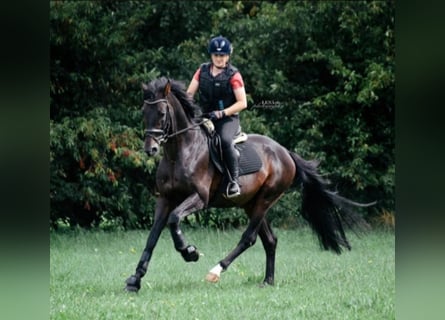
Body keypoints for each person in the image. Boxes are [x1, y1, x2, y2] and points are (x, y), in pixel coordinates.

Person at [187, 35, 247, 198]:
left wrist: (222, 113)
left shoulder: (234, 75)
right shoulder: (202, 71)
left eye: (222, 55)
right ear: (211, 55)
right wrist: (192, 111)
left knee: (225, 140)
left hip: (227, 118)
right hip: (205, 116)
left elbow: (243, 103)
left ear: (228, 56)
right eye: (216, 55)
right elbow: (189, 94)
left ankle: (233, 181)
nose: (219, 58)